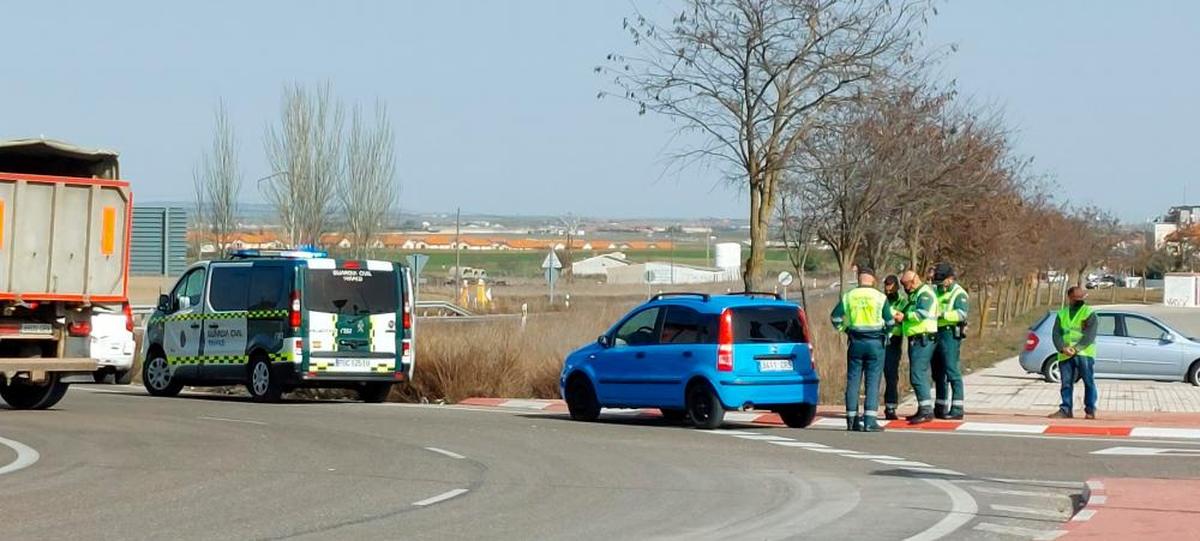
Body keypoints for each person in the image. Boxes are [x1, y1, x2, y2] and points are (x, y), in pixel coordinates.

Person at [830, 268, 894, 432]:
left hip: (855, 342)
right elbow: (890, 322)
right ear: (873, 280)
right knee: (872, 381)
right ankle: (870, 421)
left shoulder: (849, 296)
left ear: (859, 280)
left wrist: (845, 329)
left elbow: (835, 317)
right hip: (875, 343)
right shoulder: (880, 297)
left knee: (853, 381)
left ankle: (851, 420)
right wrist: (886, 334)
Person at [1050, 286, 1099, 419]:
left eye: (1081, 298)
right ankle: (1065, 409)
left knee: (1088, 382)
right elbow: (1056, 334)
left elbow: (1090, 335)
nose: (1080, 300)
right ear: (1070, 298)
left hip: (1084, 354)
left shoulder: (1088, 313)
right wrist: (1062, 348)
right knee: (1066, 383)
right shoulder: (1062, 314)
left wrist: (1076, 348)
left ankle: (1090, 410)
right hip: (1065, 354)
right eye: (1077, 298)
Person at [899, 269, 939, 424]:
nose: (904, 288)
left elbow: (922, 313)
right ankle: (923, 408)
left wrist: (905, 316)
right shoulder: (916, 294)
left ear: (913, 280)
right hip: (917, 338)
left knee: (917, 375)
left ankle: (926, 411)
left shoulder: (925, 294)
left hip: (923, 338)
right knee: (918, 374)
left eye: (905, 284)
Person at [931, 263, 969, 420]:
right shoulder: (937, 290)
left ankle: (957, 407)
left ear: (950, 278)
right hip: (936, 332)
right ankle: (940, 405)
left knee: (952, 370)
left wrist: (943, 315)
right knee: (938, 372)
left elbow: (961, 314)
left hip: (950, 334)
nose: (939, 284)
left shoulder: (959, 294)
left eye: (942, 281)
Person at [882, 275, 907, 420]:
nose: (889, 289)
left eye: (891, 286)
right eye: (887, 286)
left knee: (891, 374)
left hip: (894, 340)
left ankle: (890, 407)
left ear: (897, 286)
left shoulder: (902, 301)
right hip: (879, 338)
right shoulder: (881, 299)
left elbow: (904, 318)